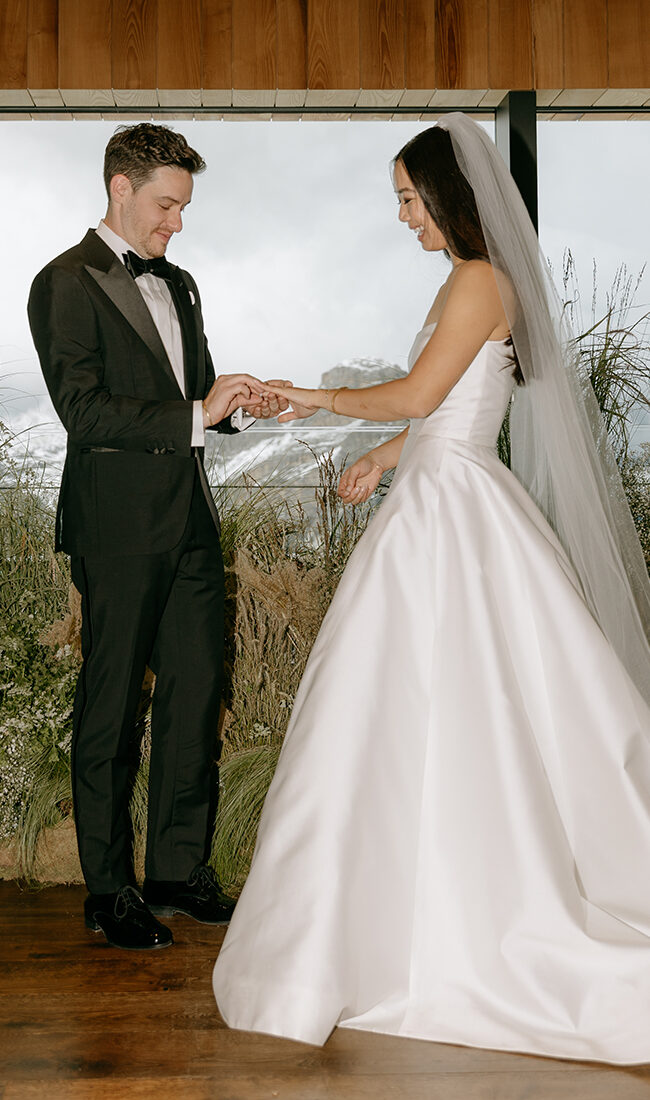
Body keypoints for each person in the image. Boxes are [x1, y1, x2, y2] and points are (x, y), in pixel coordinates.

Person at [212, 115, 650, 1063]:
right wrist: (388, 451)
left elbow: (421, 392)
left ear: (448, 195)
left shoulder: (477, 280)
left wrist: (316, 397)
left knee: (442, 704)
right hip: (440, 485)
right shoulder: (472, 284)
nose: (404, 216)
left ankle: (441, 929)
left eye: (409, 198)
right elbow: (449, 405)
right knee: (416, 710)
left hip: (450, 514)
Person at [27, 123, 293, 951]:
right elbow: (83, 410)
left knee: (192, 696)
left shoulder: (181, 286)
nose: (176, 224)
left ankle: (177, 873)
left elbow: (194, 394)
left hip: (189, 521)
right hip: (114, 524)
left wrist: (234, 400)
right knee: (111, 705)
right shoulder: (62, 282)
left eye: (182, 207)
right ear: (120, 187)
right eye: (166, 205)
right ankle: (110, 890)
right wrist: (192, 414)